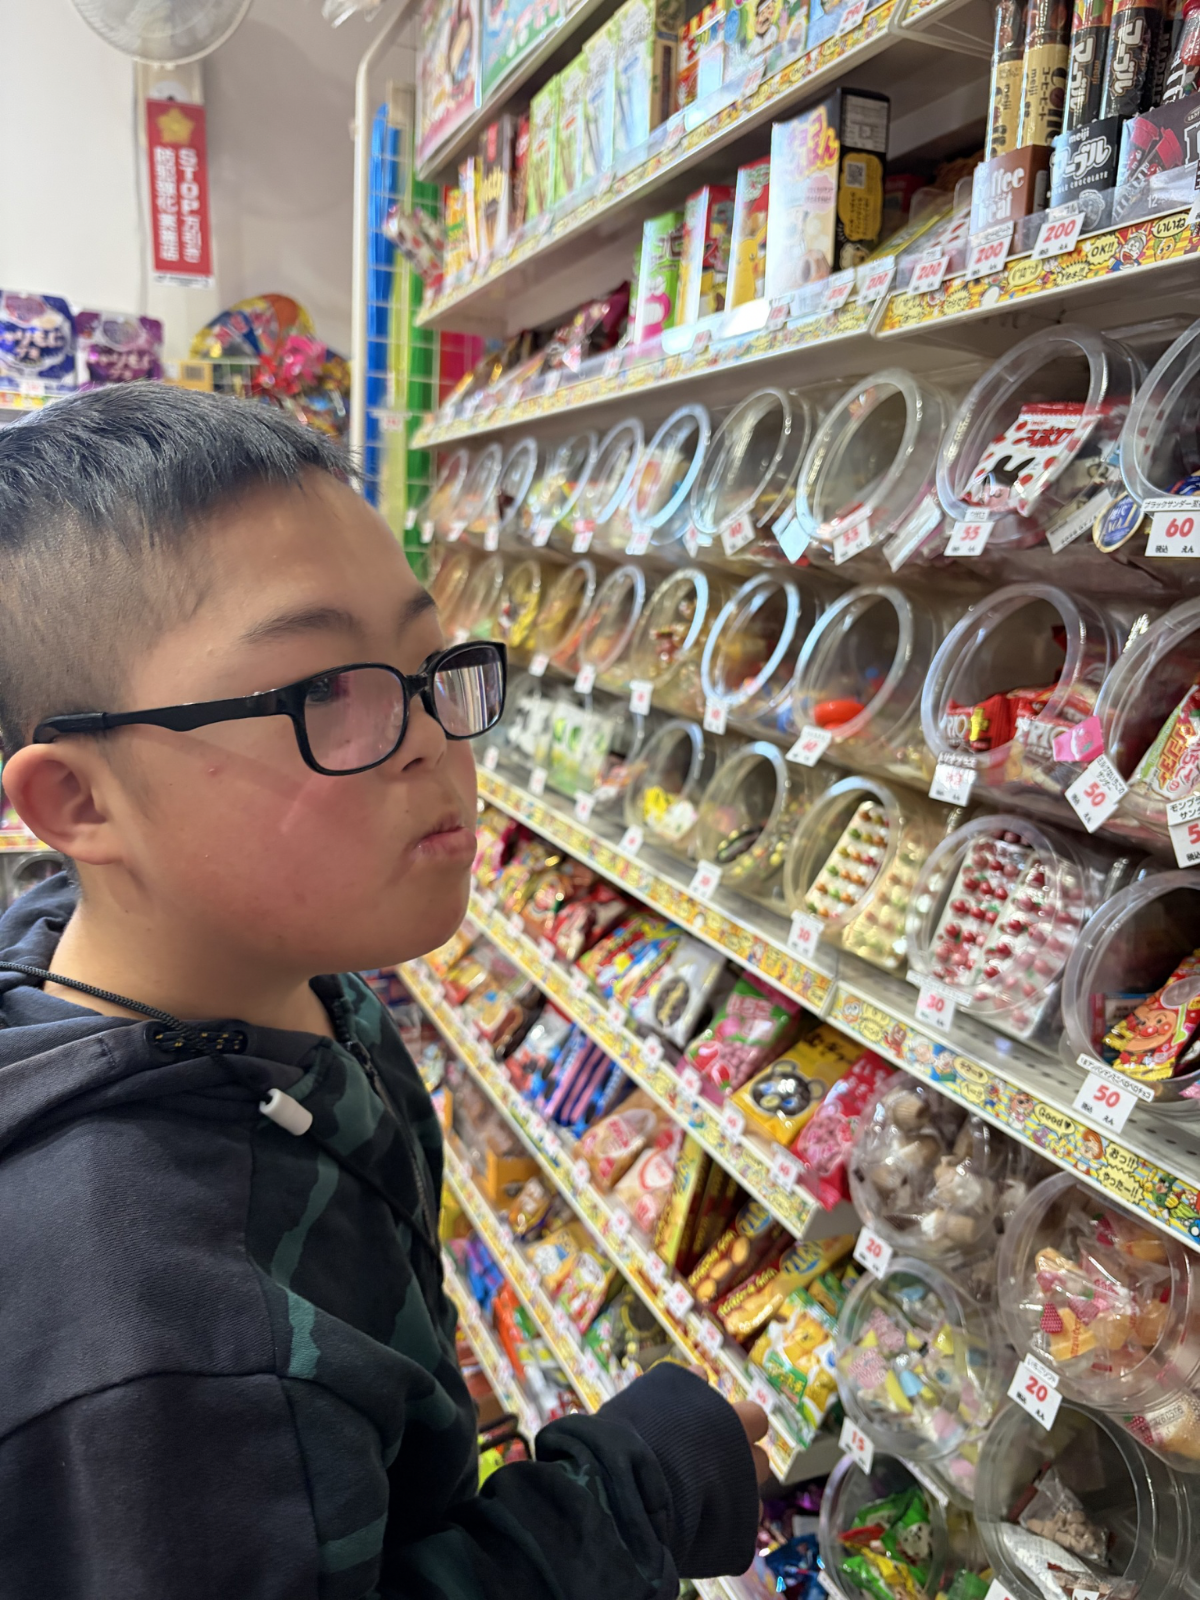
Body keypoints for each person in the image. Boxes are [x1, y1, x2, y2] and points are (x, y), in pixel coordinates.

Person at [0, 384, 767, 1600]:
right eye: (322, 690)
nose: (430, 739)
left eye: (424, 662)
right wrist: (633, 1494)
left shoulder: (255, 975)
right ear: (80, 802)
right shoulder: (169, 1356)